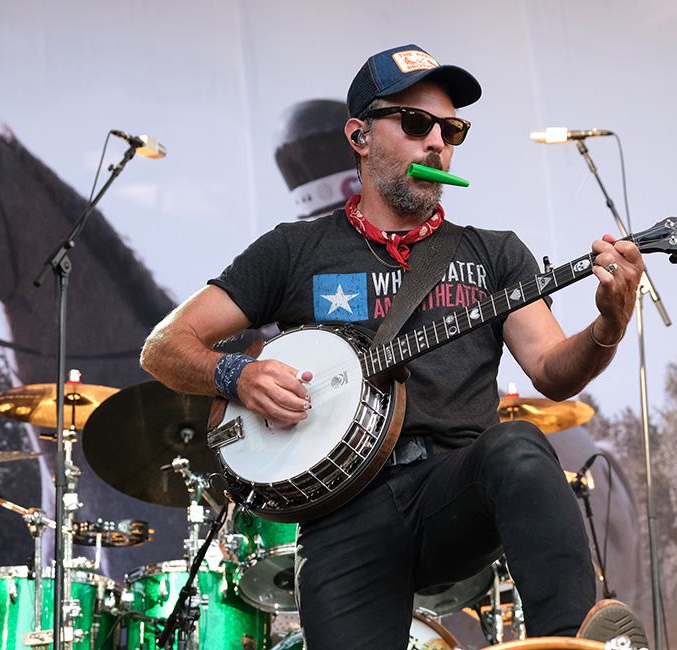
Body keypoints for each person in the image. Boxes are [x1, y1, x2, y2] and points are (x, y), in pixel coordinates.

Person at [140, 43, 645, 648]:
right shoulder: (292, 251)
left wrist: (609, 326)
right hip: (341, 513)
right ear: (359, 136)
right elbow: (164, 347)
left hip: (455, 490)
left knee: (518, 445)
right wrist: (238, 377)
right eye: (414, 123)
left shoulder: (494, 253)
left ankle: (569, 644)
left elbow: (552, 371)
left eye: (451, 130)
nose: (436, 143)